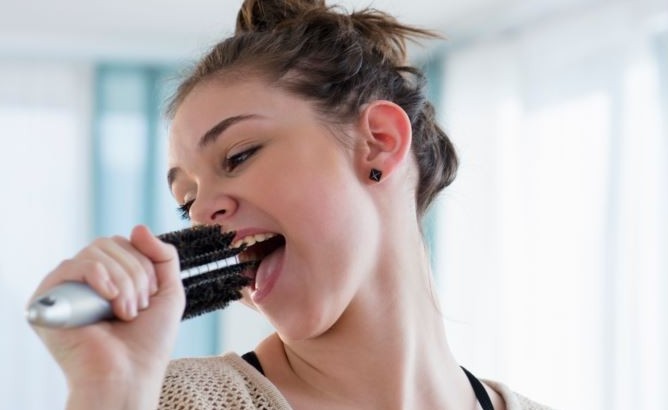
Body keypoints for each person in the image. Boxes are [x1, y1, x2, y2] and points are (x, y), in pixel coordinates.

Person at [29, 0, 553, 409]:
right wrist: (110, 393)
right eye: (186, 201)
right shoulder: (170, 401)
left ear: (379, 141)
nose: (201, 214)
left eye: (239, 156)